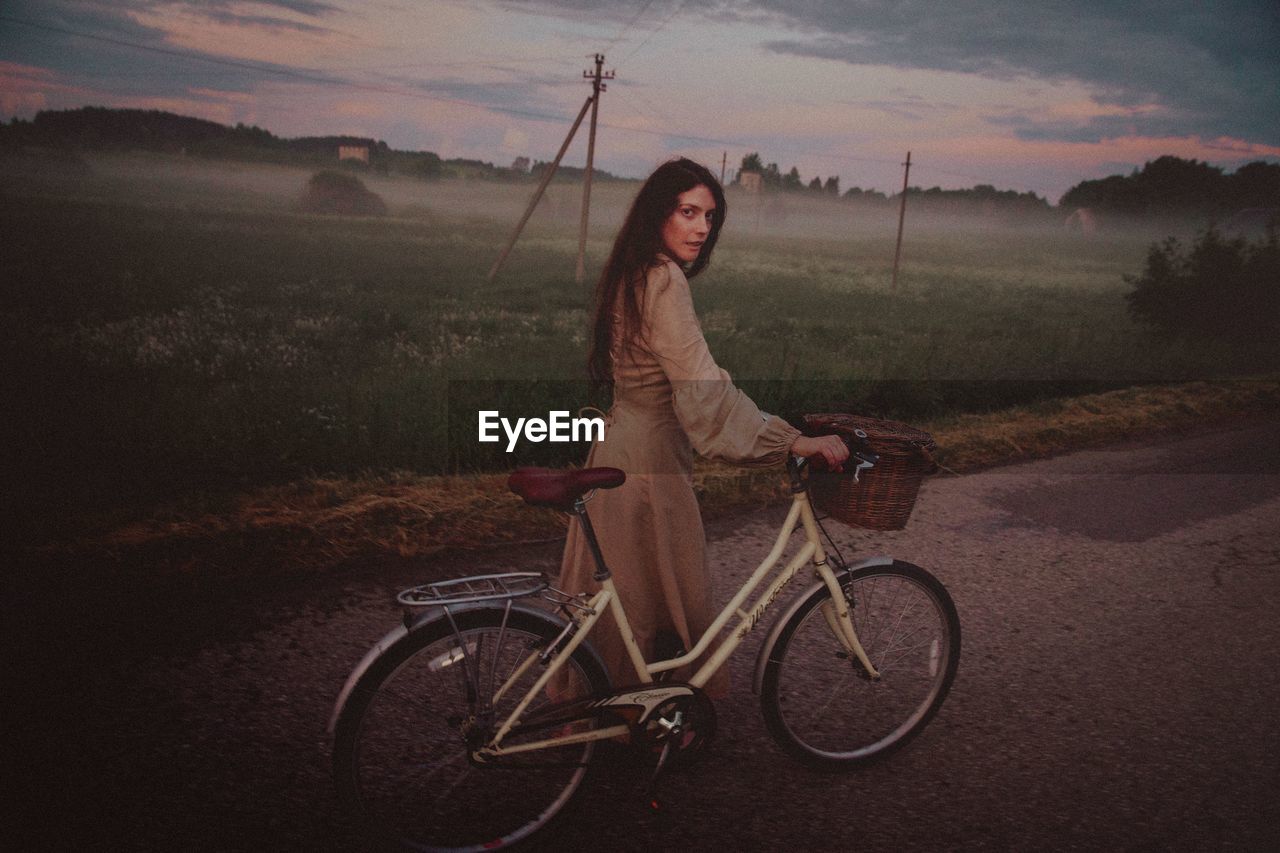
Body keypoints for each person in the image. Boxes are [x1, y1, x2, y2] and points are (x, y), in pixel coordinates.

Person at [558, 157, 848, 697]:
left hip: (615, 449)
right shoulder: (664, 279)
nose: (700, 228)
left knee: (625, 597)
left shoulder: (633, 270)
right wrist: (789, 440)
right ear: (658, 215)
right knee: (660, 597)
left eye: (709, 217)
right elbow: (702, 389)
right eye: (688, 212)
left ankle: (624, 711)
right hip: (649, 465)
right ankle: (643, 714)